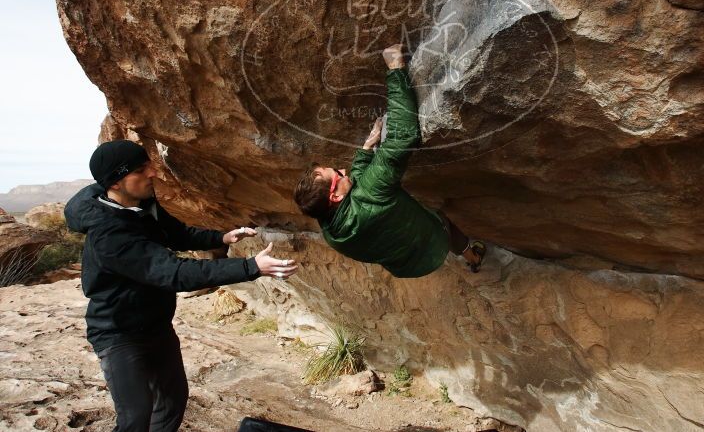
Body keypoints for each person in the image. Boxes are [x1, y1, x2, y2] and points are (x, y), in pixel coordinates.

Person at [64, 140, 297, 432]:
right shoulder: (109, 233)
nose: (153, 173)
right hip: (119, 333)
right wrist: (251, 267)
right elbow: (173, 273)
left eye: (148, 164)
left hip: (156, 326)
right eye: (141, 169)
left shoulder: (142, 203)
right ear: (117, 181)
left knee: (173, 402)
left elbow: (175, 233)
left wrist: (221, 238)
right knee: (135, 418)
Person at [293, 44, 485, 278]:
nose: (344, 170)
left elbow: (359, 194)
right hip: (433, 246)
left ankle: (470, 259)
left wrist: (365, 150)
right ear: (334, 196)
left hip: (405, 266)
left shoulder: (332, 232)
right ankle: (473, 258)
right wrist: (395, 68)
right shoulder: (370, 192)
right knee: (441, 219)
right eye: (338, 173)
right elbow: (403, 136)